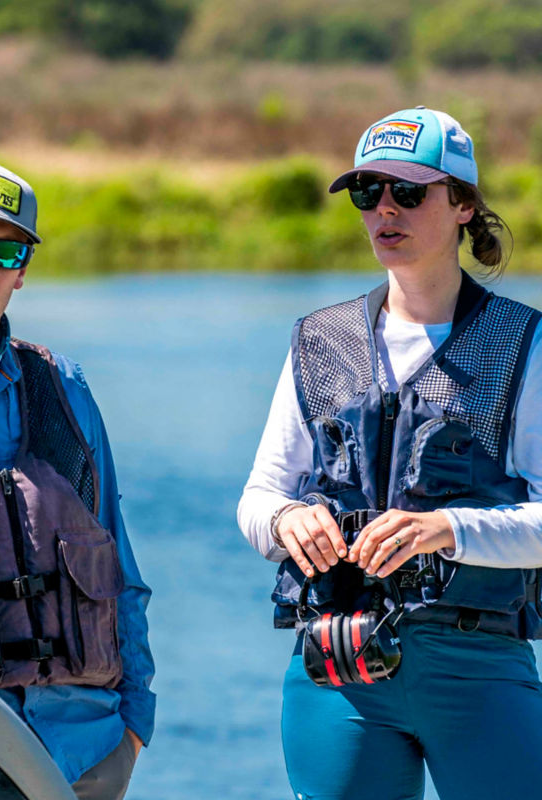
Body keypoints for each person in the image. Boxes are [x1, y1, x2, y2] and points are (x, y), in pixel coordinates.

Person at [238, 107, 542, 800]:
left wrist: (448, 529)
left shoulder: (525, 344)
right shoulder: (319, 340)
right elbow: (258, 499)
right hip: (337, 668)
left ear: (464, 205)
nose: (384, 210)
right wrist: (286, 523)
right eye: (367, 192)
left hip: (478, 663)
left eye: (409, 192)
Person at [0, 162, 155, 799]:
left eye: (5, 250)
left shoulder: (65, 387)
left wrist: (134, 728)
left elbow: (121, 568)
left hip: (90, 751)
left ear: (22, 271)